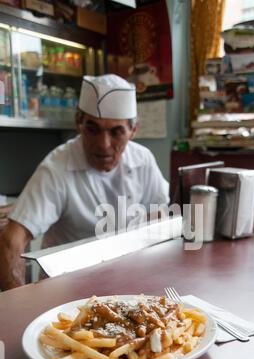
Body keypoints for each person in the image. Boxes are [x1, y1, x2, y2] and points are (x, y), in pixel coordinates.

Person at [0, 74, 169, 291]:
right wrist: (19, 309)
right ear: (79, 123)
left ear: (133, 131)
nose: (104, 144)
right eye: (93, 129)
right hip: (64, 287)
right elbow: (10, 242)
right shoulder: (57, 166)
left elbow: (161, 217)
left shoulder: (143, 160)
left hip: (127, 281)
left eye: (116, 132)